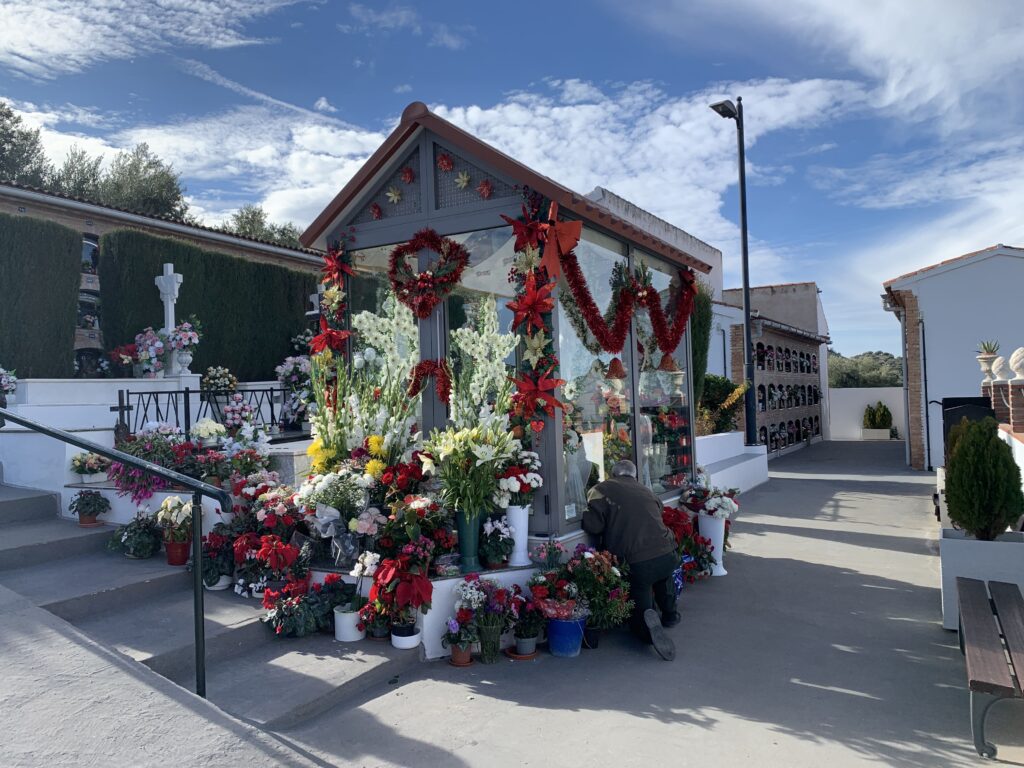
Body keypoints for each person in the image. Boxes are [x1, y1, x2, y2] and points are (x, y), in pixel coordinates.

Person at [583, 459, 679, 661]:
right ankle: (670, 614)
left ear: (613, 474)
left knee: (640, 590)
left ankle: (646, 630)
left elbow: (593, 526)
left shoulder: (601, 489)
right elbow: (658, 512)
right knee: (663, 578)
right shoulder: (646, 490)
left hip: (637, 559)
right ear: (633, 475)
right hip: (667, 550)